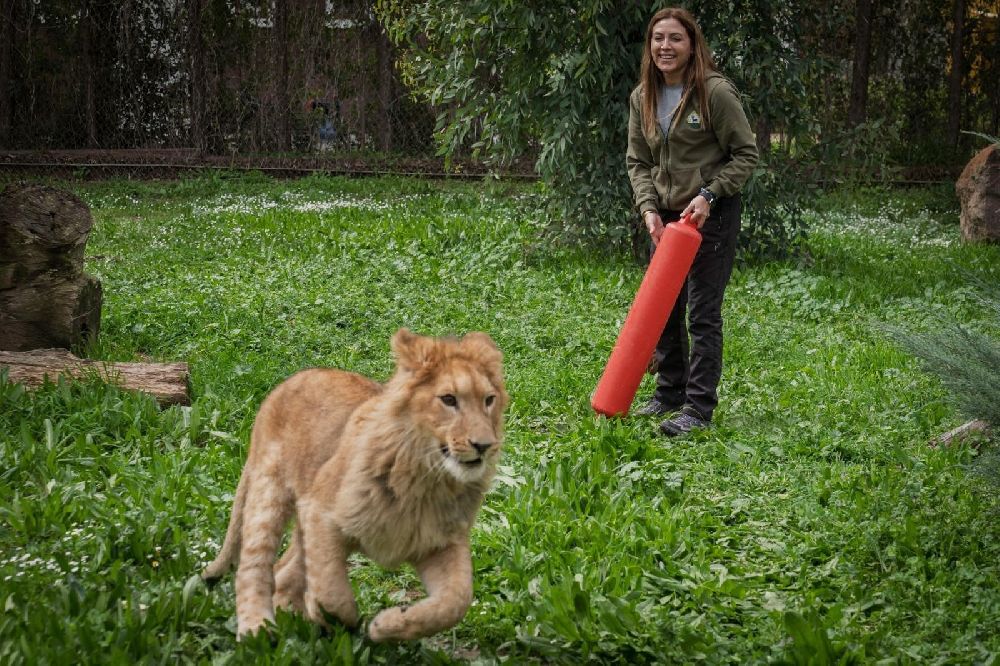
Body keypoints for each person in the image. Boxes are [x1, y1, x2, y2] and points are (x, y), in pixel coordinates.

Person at [625, 7, 759, 436]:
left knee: (702, 313)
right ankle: (669, 393)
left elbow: (746, 154)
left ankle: (698, 410)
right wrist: (648, 209)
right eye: (658, 38)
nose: (666, 46)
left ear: (692, 45)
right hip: (663, 218)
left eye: (675, 39)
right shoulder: (641, 95)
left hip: (708, 216)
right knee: (663, 309)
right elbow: (638, 161)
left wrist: (709, 195)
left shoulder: (714, 93)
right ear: (650, 46)